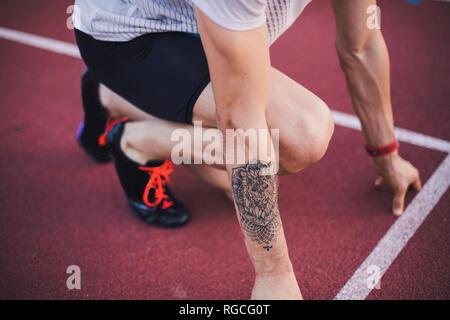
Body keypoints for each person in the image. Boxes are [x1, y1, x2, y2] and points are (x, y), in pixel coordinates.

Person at [73, 0, 421, 299]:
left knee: (252, 173)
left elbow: (362, 45)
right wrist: (274, 276)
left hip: (199, 27)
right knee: (298, 136)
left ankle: (110, 97)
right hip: (129, 36)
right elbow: (241, 119)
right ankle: (137, 140)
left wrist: (386, 153)